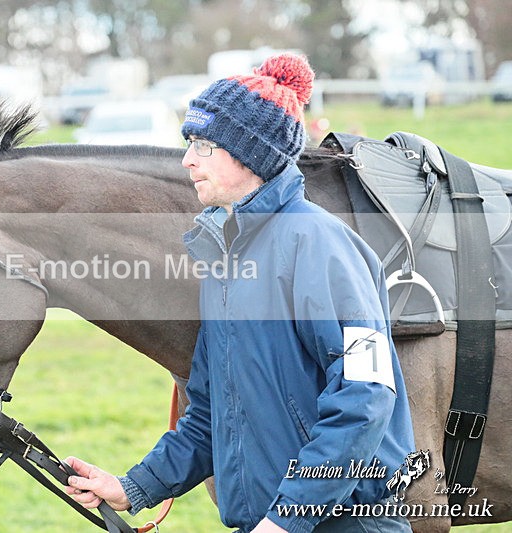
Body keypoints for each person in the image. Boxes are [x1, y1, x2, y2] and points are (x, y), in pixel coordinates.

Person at [65, 53, 416, 532]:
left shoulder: (320, 246)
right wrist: (134, 487)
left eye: (204, 145)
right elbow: (211, 413)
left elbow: (365, 400)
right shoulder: (225, 259)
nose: (187, 159)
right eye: (189, 143)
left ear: (251, 153)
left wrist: (287, 518)